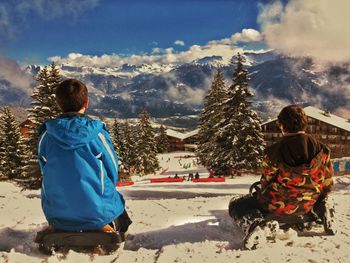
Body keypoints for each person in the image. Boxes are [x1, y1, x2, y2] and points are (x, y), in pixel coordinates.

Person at [229, 105, 334, 247]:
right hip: (309, 204)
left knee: (237, 204)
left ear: (282, 125)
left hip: (278, 205)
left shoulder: (273, 152)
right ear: (304, 123)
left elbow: (266, 182)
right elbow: (327, 183)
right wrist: (317, 198)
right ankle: (323, 209)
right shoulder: (323, 150)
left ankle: (257, 225)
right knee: (323, 196)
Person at [38, 79, 132, 234]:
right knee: (121, 215)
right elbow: (112, 168)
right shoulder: (98, 134)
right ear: (87, 103)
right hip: (98, 211)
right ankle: (103, 224)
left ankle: (61, 225)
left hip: (57, 214)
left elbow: (44, 168)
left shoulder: (46, 135)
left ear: (57, 104)